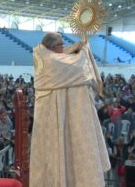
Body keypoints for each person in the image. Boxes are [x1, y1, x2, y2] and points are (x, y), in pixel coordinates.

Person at [30, 32, 111, 187]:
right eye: (62, 45)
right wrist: (84, 49)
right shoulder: (52, 61)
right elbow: (77, 66)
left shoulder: (41, 55)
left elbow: (65, 56)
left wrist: (78, 46)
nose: (64, 47)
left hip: (50, 114)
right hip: (54, 112)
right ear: (53, 47)